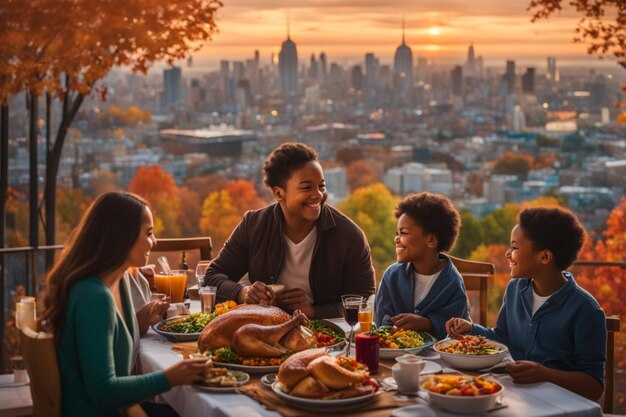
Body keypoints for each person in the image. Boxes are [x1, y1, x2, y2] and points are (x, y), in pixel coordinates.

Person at [41, 192, 207, 417]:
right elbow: (103, 392)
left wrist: (143, 319)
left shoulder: (120, 281)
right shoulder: (93, 295)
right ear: (122, 237)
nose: (155, 241)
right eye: (149, 233)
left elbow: (111, 339)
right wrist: (172, 377)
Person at [445, 207, 606, 400]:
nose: (507, 253)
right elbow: (503, 336)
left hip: (558, 404)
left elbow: (594, 387)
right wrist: (471, 329)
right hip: (516, 395)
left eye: (514, 247)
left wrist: (545, 374)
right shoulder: (515, 288)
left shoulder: (586, 310)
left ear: (544, 257)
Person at [205, 142, 375, 319]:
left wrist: (313, 312)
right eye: (306, 187)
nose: (317, 194)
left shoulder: (349, 235)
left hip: (325, 333)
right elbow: (212, 277)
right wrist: (243, 293)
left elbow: (365, 298)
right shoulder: (254, 225)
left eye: (321, 186)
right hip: (264, 328)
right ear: (278, 194)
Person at [374, 192, 469, 339]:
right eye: (397, 233)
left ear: (431, 240)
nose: (396, 239)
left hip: (439, 359)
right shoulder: (391, 276)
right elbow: (381, 322)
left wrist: (428, 323)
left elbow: (458, 330)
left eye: (403, 233)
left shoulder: (453, 283)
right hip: (394, 357)